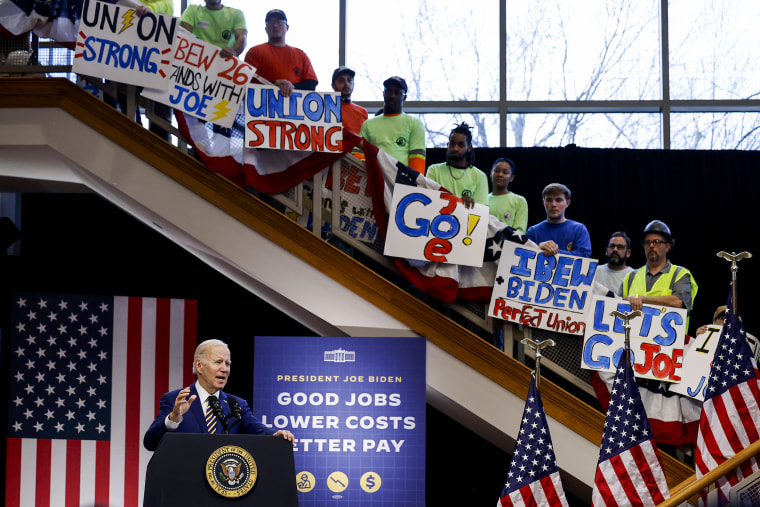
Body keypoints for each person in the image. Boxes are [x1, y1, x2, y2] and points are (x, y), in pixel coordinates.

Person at [144, 339, 294, 451]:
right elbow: (150, 443)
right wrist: (173, 418)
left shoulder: (236, 405)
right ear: (199, 365)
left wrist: (276, 434)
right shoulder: (175, 400)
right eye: (218, 362)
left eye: (227, 364)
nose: (224, 369)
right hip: (186, 485)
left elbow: (258, 429)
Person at [620, 219, 698, 330]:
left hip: (668, 344)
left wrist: (641, 299)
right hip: (633, 342)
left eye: (656, 241)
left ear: (667, 246)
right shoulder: (630, 277)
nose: (651, 245)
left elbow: (678, 302)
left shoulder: (680, 274)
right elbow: (618, 306)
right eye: (647, 242)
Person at [355, 76, 426, 174]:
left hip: (402, 182)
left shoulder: (415, 124)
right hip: (374, 180)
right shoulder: (368, 125)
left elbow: (417, 158)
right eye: (388, 91)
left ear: (404, 97)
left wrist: (415, 184)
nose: (392, 95)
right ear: (383, 94)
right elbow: (358, 153)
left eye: (397, 92)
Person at [244, 9, 318, 98]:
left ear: (287, 27)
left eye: (279, 22)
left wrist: (290, 86)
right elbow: (248, 81)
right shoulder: (254, 52)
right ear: (266, 29)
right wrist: (275, 84)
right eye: (270, 22)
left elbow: (311, 84)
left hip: (294, 107)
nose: (275, 25)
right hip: (263, 105)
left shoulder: (300, 54)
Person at [426, 122, 487, 209]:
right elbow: (428, 202)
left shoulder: (480, 176)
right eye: (452, 144)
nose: (455, 148)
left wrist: (471, 206)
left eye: (461, 145)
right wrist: (460, 203)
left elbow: (482, 213)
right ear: (448, 145)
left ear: (469, 148)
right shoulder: (434, 170)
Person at [526, 183, 591, 257]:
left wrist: (552, 251)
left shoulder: (579, 229)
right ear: (544, 203)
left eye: (558, 200)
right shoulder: (533, 231)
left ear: (567, 203)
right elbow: (523, 255)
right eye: (549, 200)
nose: (553, 204)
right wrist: (538, 247)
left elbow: (584, 256)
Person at [179, 0, 247, 58]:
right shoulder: (192, 10)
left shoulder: (236, 14)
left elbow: (242, 38)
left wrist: (233, 52)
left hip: (226, 63)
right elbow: (184, 36)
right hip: (197, 62)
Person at [488, 157, 528, 233]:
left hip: (509, 244)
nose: (500, 174)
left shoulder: (519, 201)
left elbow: (520, 232)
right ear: (491, 173)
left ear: (511, 178)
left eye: (505, 172)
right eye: (496, 171)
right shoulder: (482, 200)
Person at [331, 66, 368, 135]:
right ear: (333, 86)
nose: (346, 84)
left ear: (353, 84)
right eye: (341, 80)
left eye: (349, 80)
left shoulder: (362, 112)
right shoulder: (326, 109)